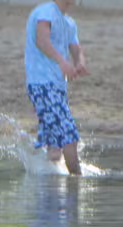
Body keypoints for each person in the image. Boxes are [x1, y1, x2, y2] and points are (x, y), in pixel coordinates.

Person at [24, 0, 88, 176]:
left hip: (58, 87)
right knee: (69, 137)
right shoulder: (45, 12)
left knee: (55, 149)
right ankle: (77, 181)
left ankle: (47, 185)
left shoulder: (69, 22)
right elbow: (41, 41)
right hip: (42, 85)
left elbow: (76, 49)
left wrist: (80, 63)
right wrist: (62, 63)